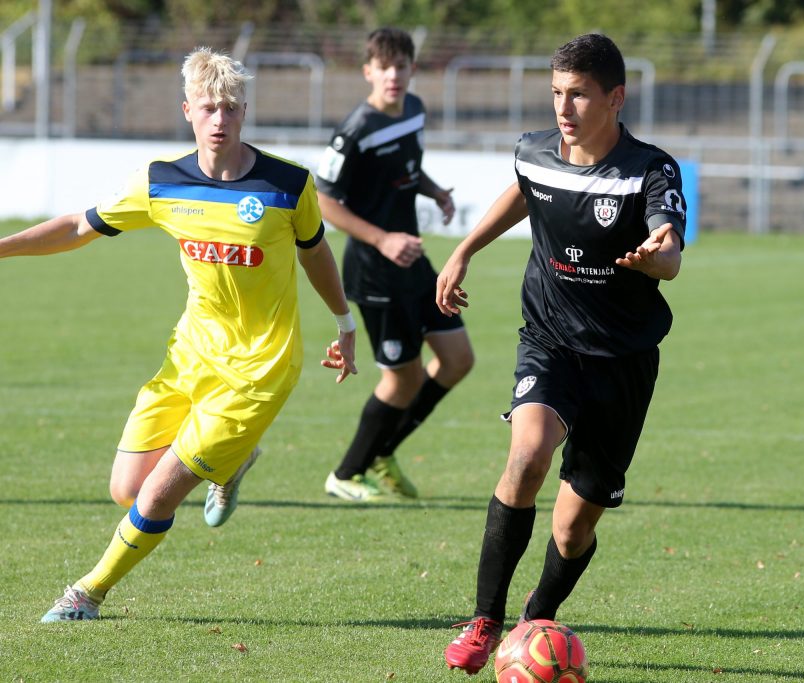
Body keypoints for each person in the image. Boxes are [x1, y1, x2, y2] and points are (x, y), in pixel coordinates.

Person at [0, 47, 357, 623]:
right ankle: (232, 463)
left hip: (259, 369)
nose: (220, 120)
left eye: (231, 108)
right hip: (190, 356)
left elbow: (315, 253)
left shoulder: (288, 185)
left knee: (157, 495)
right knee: (127, 489)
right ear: (187, 109)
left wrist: (344, 323)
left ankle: (87, 594)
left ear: (245, 112)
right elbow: (76, 227)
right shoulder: (161, 182)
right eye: (209, 107)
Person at [435, 33, 686, 674]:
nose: (563, 108)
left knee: (574, 529)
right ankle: (485, 620)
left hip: (623, 360)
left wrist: (655, 259)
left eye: (578, 95)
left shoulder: (650, 170)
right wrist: (465, 249)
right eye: (556, 93)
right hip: (548, 341)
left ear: (616, 98)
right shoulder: (535, 150)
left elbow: (669, 249)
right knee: (527, 455)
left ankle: (536, 617)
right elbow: (526, 189)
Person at [314, 27, 473, 502]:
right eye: (384, 67)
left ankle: (384, 451)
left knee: (458, 359)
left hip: (413, 262)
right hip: (374, 271)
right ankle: (346, 473)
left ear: (411, 69)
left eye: (401, 66)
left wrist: (435, 191)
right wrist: (382, 239)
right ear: (368, 72)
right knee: (402, 378)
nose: (393, 75)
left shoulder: (414, 110)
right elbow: (324, 200)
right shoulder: (354, 130)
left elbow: (406, 167)